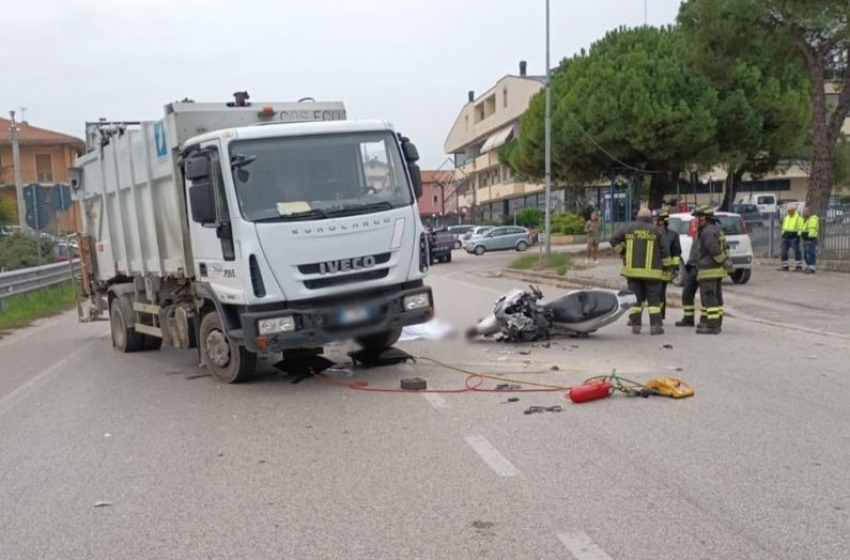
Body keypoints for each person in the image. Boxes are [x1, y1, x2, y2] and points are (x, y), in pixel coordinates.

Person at [609, 207, 671, 335]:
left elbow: (613, 240)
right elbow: (665, 252)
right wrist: (666, 267)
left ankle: (636, 326)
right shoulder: (657, 231)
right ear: (650, 219)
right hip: (652, 273)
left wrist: (622, 251)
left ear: (638, 217)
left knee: (636, 300)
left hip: (632, 272)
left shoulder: (628, 228)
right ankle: (655, 327)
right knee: (654, 301)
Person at [691, 205, 734, 335]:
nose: (695, 221)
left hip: (709, 270)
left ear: (704, 218)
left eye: (697, 217)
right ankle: (706, 321)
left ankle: (712, 326)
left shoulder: (707, 232)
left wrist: (724, 263)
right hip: (715, 271)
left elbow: (714, 250)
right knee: (713, 298)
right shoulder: (714, 230)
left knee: (709, 298)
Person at [654, 209, 682, 320]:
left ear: (663, 221)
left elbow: (676, 253)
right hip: (653, 267)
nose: (655, 222)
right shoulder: (652, 233)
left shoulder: (673, 235)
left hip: (665, 270)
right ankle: (656, 315)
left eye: (657, 220)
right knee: (653, 293)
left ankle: (660, 315)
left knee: (661, 293)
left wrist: (674, 268)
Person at [674, 233, 700, 328]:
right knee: (687, 294)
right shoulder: (698, 233)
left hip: (703, 268)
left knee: (707, 297)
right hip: (692, 267)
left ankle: (708, 322)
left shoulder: (709, 233)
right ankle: (688, 318)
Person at [779, 204, 804, 271]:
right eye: (788, 211)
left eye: (790, 211)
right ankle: (785, 266)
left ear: (794, 211)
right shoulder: (786, 218)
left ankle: (798, 266)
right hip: (786, 236)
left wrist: (798, 235)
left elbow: (801, 228)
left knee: (796, 251)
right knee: (783, 251)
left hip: (794, 236)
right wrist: (782, 234)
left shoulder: (798, 218)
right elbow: (784, 227)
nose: (789, 212)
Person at [802, 206, 820, 274]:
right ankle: (809, 266)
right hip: (807, 239)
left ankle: (812, 268)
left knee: (810, 253)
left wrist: (808, 237)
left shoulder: (812, 220)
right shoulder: (808, 219)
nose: (804, 213)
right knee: (807, 254)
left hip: (810, 239)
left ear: (810, 212)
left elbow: (812, 230)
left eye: (805, 211)